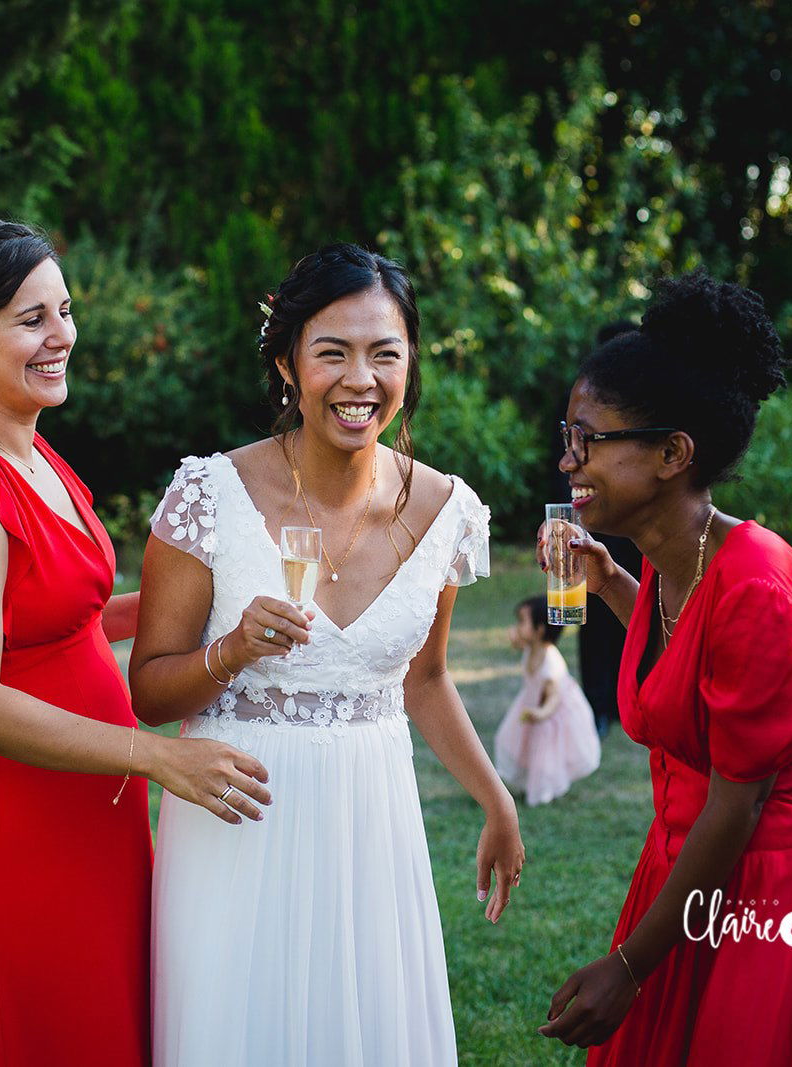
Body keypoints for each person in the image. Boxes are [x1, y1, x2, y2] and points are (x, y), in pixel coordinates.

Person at [0, 219, 272, 1065]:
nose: (62, 337)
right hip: (22, 842)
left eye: (65, 309)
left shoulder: (38, 455)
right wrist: (155, 756)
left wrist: (222, 613)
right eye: (30, 319)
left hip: (100, 822)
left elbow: (71, 617)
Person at [129, 244, 524, 1067]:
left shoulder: (447, 509)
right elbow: (149, 693)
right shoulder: (208, 496)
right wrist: (230, 651)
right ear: (287, 363)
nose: (360, 379)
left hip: (371, 823)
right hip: (239, 817)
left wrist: (497, 801)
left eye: (385, 353)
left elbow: (427, 678)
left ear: (411, 363)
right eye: (332, 352)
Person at [537, 271, 792, 1064]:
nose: (567, 460)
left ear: (672, 453)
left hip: (765, 891)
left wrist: (627, 967)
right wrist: (609, 581)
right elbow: (688, 667)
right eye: (567, 435)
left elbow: (737, 806)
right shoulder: (668, 555)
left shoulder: (756, 583)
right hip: (682, 874)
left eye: (589, 439)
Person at [550, 321, 644, 737]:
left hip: (634, 536)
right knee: (591, 619)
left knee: (633, 611)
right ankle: (598, 705)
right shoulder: (583, 403)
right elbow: (564, 470)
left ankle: (631, 700)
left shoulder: (643, 412)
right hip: (588, 525)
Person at [493, 595, 601, 805]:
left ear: (539, 630)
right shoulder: (531, 647)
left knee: (545, 756)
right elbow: (519, 646)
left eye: (522, 622)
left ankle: (543, 790)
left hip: (551, 713)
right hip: (531, 704)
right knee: (518, 743)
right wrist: (515, 638)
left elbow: (553, 699)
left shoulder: (552, 664)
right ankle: (527, 782)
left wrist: (541, 714)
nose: (518, 626)